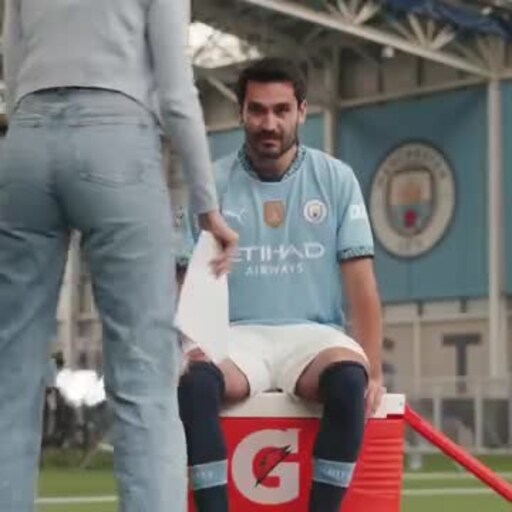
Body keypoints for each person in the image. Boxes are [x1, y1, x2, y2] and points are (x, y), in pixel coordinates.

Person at [0, 1, 237, 511]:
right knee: (144, 375)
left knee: (8, 377)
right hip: (117, 136)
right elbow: (176, 93)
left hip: (25, 140)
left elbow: (13, 68)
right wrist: (207, 205)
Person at [178, 57, 384, 512]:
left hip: (313, 337)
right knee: (194, 382)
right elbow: (182, 275)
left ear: (302, 111)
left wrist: (374, 367)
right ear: (241, 112)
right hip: (234, 336)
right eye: (257, 110)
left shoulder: (335, 179)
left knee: (351, 380)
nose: (268, 123)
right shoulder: (210, 184)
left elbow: (361, 281)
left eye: (281, 110)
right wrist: (189, 344)